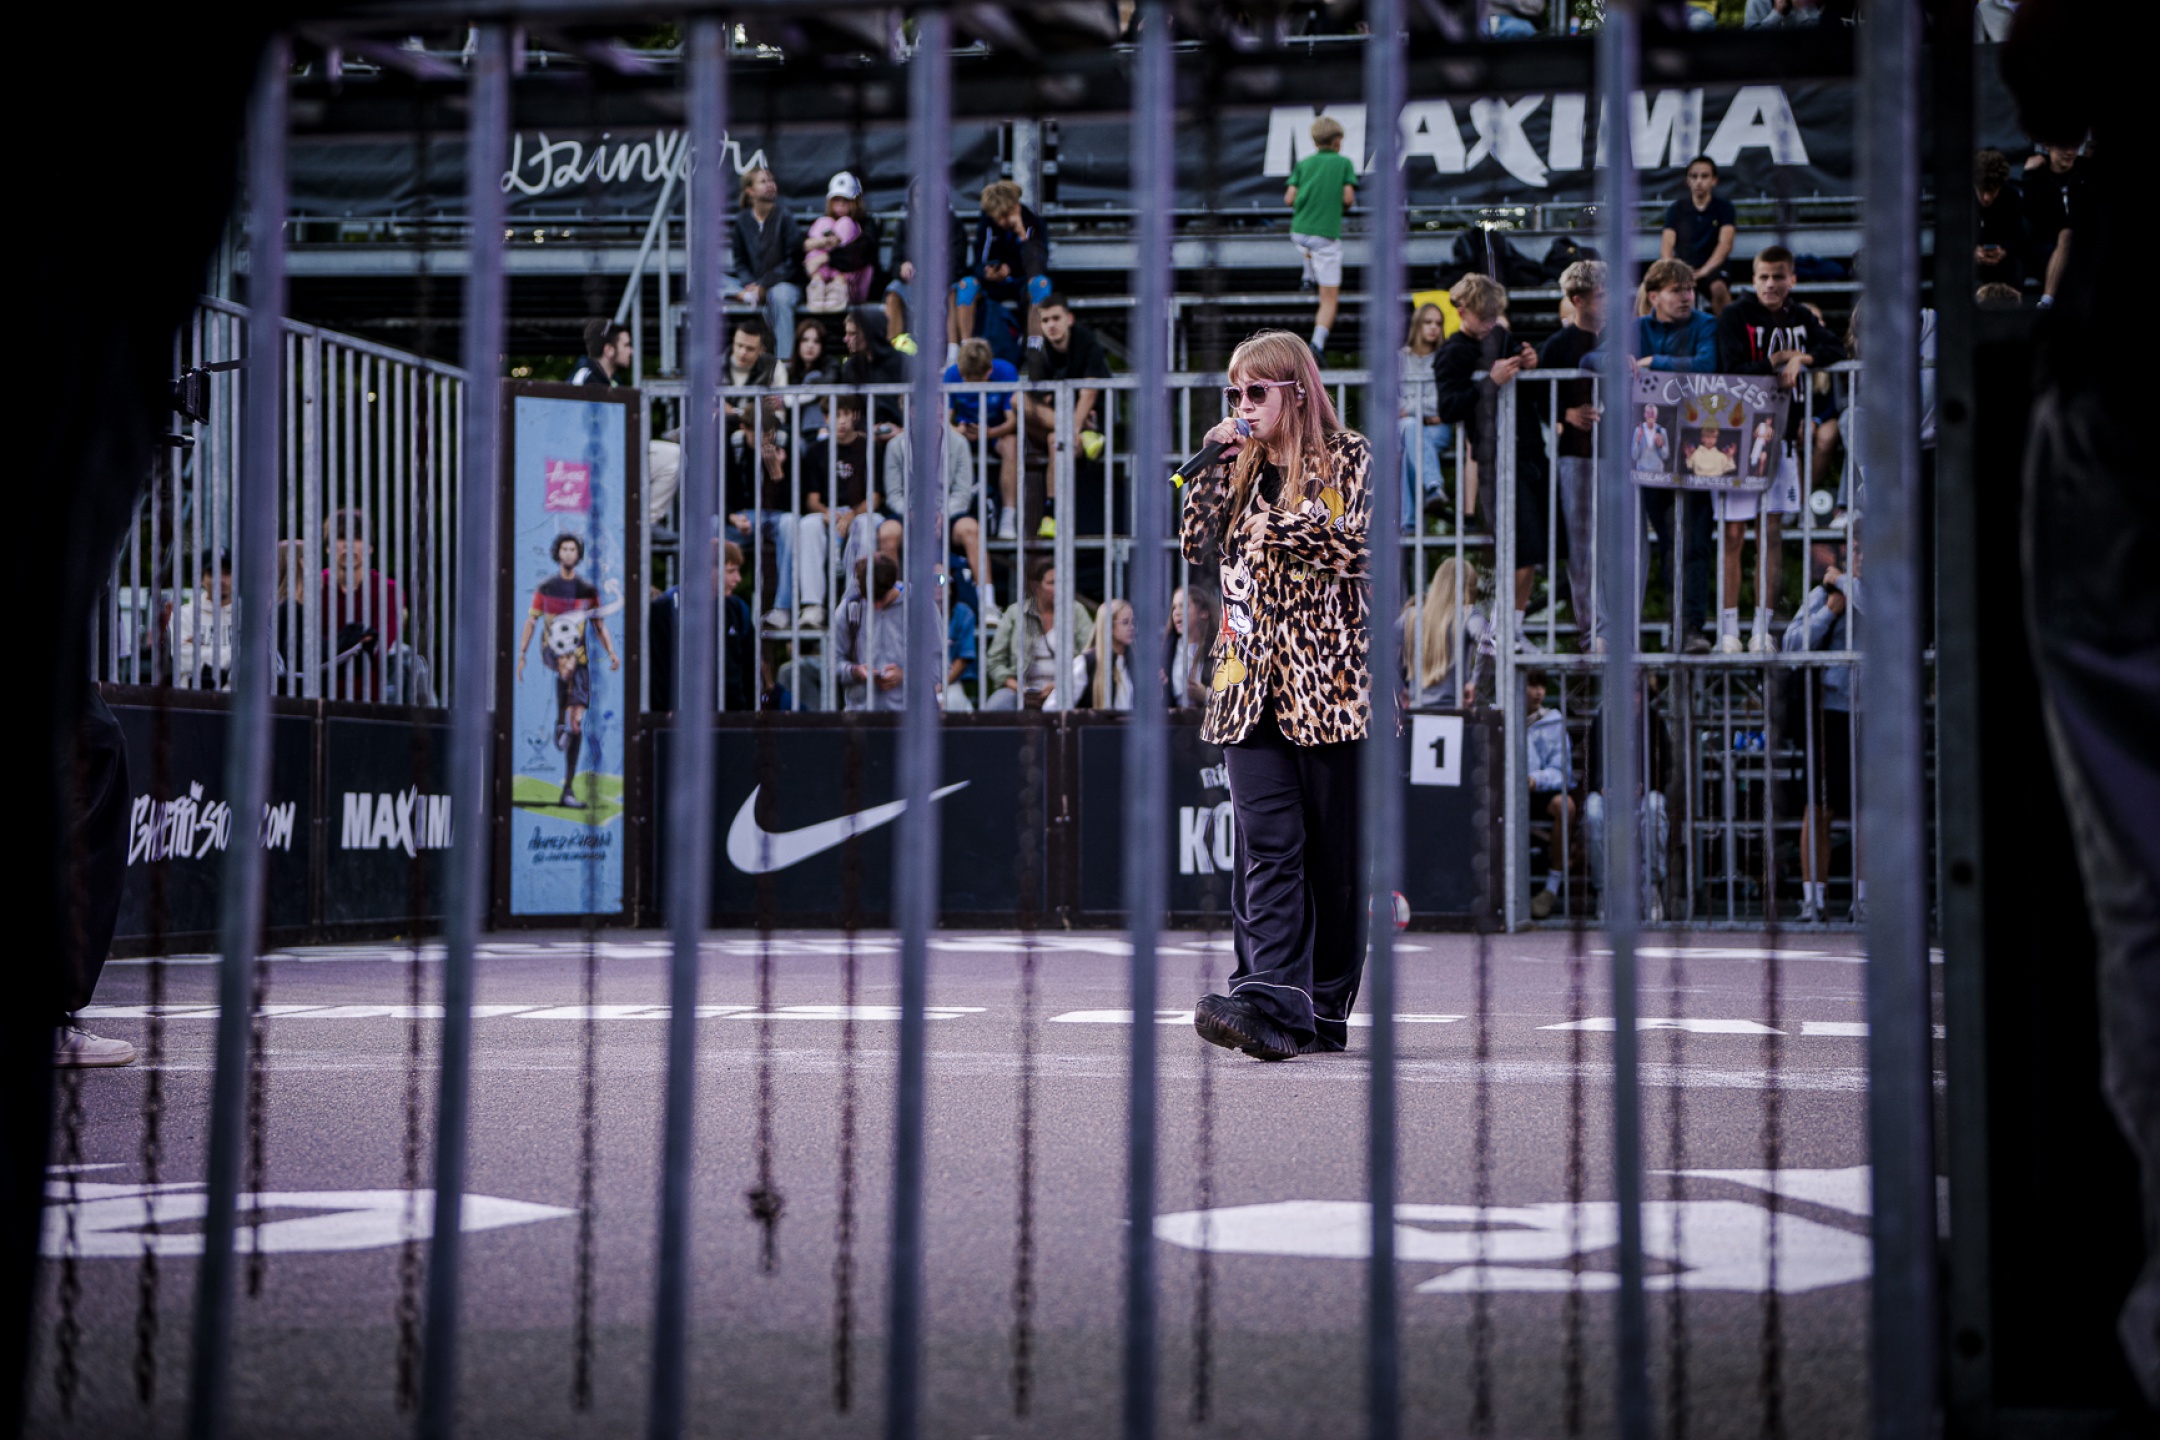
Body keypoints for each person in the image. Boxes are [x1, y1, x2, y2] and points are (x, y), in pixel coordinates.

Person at [1181, 329, 1374, 1062]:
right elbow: (1196, 546)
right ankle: (1267, 997)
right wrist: (1210, 467)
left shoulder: (1349, 455)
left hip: (1331, 685)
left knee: (1333, 860)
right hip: (1246, 682)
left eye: (1257, 390)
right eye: (1236, 392)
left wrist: (1283, 529)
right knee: (1266, 845)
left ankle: (1320, 1009)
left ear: (1296, 390)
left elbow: (1363, 547)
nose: (1244, 404)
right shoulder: (1238, 465)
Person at [1714, 243, 1846, 653]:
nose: (1770, 284)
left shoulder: (1801, 316)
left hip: (1783, 440)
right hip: (1737, 439)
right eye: (1763, 277)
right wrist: (1777, 360)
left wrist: (1801, 358)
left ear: (1793, 278)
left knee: (1770, 534)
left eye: (1778, 276)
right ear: (1753, 280)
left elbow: (1836, 348)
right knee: (1733, 533)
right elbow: (1730, 368)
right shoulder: (1736, 316)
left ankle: (1761, 629)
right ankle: (1728, 630)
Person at [1434, 273, 1548, 650]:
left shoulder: (1501, 337)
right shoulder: (1453, 352)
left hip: (1528, 453)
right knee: (1515, 547)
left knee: (1533, 548)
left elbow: (1532, 384)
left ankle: (1510, 625)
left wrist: (1532, 361)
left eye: (1494, 316)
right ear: (1462, 312)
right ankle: (1498, 624)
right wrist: (1490, 382)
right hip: (1493, 460)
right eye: (1483, 317)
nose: (1490, 324)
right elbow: (1449, 407)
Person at [514, 533, 621, 808]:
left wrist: (611, 652)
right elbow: (531, 621)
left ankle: (568, 787)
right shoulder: (547, 587)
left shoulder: (586, 589)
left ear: (578, 554)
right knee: (567, 662)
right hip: (553, 652)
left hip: (579, 660)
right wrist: (522, 654)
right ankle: (561, 720)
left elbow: (598, 624)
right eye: (565, 549)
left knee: (577, 722)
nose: (569, 553)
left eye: (573, 549)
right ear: (557, 553)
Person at [1781, 551, 1859, 923]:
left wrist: (1847, 584)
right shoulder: (1822, 594)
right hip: (1829, 713)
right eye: (1855, 550)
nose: (1861, 558)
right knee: (1818, 808)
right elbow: (1792, 645)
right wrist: (1829, 611)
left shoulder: (1885, 593)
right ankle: (1813, 899)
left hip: (1875, 714)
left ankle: (1866, 900)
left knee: (1870, 811)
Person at [1540, 260, 1607, 651]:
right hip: (1576, 456)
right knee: (1581, 545)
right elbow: (1535, 397)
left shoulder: (1625, 336)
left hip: (1623, 456)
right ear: (1578, 300)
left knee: (1624, 544)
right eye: (1601, 295)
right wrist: (1564, 413)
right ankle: (1591, 630)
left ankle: (1619, 629)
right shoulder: (1558, 345)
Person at [1018, 295, 1112, 540]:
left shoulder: (1086, 342)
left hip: (1090, 426)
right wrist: (1072, 430)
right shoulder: (1039, 350)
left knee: (1055, 440)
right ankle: (1074, 434)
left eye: (1056, 318)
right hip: (1073, 431)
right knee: (1018, 400)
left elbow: (1089, 394)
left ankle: (1050, 515)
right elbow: (1037, 398)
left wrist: (1073, 428)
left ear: (1069, 319)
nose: (1051, 325)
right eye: (1045, 320)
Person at [883, 407, 987, 604]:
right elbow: (894, 495)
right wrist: (911, 514)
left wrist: (943, 514)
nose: (936, 410)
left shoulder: (959, 443)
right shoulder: (896, 445)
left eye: (941, 406)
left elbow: (962, 493)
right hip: (909, 512)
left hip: (948, 512)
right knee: (887, 533)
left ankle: (987, 601)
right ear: (912, 411)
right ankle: (896, 599)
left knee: (971, 529)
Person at [796, 395, 878, 630]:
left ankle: (857, 601)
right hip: (829, 513)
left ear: (855, 416)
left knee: (866, 525)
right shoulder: (816, 451)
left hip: (861, 512)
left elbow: (874, 497)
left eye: (846, 414)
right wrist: (827, 513)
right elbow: (811, 500)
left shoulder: (870, 448)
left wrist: (851, 515)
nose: (841, 421)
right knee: (808, 525)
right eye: (835, 415)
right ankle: (812, 607)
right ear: (826, 418)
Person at [648, 540, 757, 712]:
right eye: (730, 571)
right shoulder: (667, 607)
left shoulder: (737, 608)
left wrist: (747, 715)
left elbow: (749, 669)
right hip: (680, 717)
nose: (738, 579)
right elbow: (658, 671)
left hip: (732, 717)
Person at [951, 180, 1052, 366]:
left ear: (1015, 207)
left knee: (1041, 284)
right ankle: (965, 348)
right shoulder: (987, 223)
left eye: (1005, 215)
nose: (1002, 222)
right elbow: (978, 262)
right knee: (966, 286)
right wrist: (988, 272)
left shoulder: (1034, 223)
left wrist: (1022, 235)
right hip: (993, 285)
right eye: (998, 217)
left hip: (1021, 282)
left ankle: (1035, 349)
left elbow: (1037, 268)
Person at [1283, 115, 1358, 357]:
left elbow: (1289, 198)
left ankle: (1307, 274)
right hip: (1325, 234)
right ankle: (1317, 344)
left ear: (1315, 141)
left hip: (1299, 231)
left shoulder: (1304, 164)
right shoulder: (1343, 163)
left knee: (1306, 243)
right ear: (1337, 141)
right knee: (1329, 297)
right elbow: (1348, 198)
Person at [985, 555, 1093, 710]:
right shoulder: (1015, 613)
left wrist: (1059, 685)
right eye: (1052, 583)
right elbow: (994, 659)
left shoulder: (1076, 611)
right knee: (996, 706)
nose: (1059, 588)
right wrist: (1015, 686)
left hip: (1067, 688)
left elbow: (1090, 654)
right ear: (1035, 586)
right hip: (1020, 690)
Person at [947, 337, 1019, 550]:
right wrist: (957, 431)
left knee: (1012, 444)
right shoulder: (952, 374)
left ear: (989, 372)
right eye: (965, 379)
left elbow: (1013, 421)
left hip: (995, 432)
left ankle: (1008, 516)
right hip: (963, 434)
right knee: (941, 442)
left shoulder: (1006, 372)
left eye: (975, 380)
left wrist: (989, 433)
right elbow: (943, 419)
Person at [322, 508, 401, 701]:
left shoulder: (388, 590)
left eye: (357, 538)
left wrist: (332, 647)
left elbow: (379, 648)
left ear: (370, 547)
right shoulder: (313, 588)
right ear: (328, 547)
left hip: (367, 702)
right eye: (341, 537)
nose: (348, 545)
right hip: (316, 699)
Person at [886, 176, 968, 353]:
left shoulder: (953, 225)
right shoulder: (904, 225)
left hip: (942, 285)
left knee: (954, 291)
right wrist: (901, 268)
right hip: (913, 285)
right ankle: (892, 351)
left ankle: (952, 352)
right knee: (893, 291)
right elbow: (894, 263)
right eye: (918, 196)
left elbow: (958, 264)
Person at [1402, 555, 1493, 710]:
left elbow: (1378, 646)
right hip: (1454, 708)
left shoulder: (1412, 616)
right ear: (1468, 588)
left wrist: (1399, 686)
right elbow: (1488, 641)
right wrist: (1475, 682)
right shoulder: (1467, 615)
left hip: (1416, 710)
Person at [730, 165, 804, 349]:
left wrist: (764, 285)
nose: (770, 184)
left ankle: (784, 360)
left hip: (783, 284)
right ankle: (745, 295)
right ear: (750, 191)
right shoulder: (742, 221)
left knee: (779, 297)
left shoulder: (784, 217)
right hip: (752, 286)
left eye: (771, 180)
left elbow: (793, 262)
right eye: (763, 181)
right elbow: (740, 261)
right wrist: (749, 283)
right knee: (707, 278)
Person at [1523, 670, 1576, 920]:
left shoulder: (1553, 721)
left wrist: (1535, 780)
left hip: (1539, 792)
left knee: (1565, 806)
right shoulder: (1499, 716)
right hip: (1504, 790)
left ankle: (1551, 889)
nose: (1539, 692)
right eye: (1532, 685)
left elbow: (1562, 772)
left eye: (1542, 686)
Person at [1660, 155, 1738, 314]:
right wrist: (1673, 270)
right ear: (1687, 180)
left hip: (1713, 269)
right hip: (1682, 268)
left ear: (1714, 180)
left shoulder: (1724, 207)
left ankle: (1727, 329)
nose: (1699, 181)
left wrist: (1703, 271)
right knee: (1653, 289)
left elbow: (1725, 244)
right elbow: (1667, 244)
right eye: (1694, 176)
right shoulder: (1676, 209)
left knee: (1719, 289)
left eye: (1704, 176)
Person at [1398, 302, 1452, 534]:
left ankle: (1408, 524)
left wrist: (1410, 408)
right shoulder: (1399, 358)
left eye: (1438, 324)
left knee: (1408, 445)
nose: (1433, 328)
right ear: (1417, 325)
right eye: (1428, 322)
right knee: (1410, 428)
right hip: (1410, 426)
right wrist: (1425, 412)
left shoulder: (1444, 358)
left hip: (1436, 430)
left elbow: (1442, 402)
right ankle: (1433, 486)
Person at [831, 552, 907, 712]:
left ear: (893, 583)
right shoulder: (848, 610)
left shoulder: (919, 606)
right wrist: (855, 672)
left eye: (881, 598)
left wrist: (905, 675)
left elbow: (940, 664)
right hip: (860, 717)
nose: (876, 606)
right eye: (870, 599)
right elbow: (831, 665)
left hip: (912, 719)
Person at [803, 172, 878, 315]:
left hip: (853, 284)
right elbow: (802, 245)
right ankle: (817, 281)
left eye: (846, 200)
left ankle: (838, 282)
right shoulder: (825, 221)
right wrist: (823, 242)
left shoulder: (867, 224)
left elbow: (860, 252)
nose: (841, 204)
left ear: (856, 201)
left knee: (845, 223)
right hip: (823, 284)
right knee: (824, 223)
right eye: (836, 199)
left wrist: (826, 258)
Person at [170, 550, 236, 688]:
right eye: (213, 574)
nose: (221, 580)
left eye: (227, 573)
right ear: (201, 579)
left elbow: (255, 661)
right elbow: (182, 659)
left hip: (239, 698)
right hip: (193, 698)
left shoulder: (249, 616)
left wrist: (202, 651)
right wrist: (233, 654)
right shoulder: (184, 615)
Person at [1057, 597, 1135, 711]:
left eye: (1133, 622)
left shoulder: (1135, 664)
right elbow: (1055, 705)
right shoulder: (1087, 663)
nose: (1131, 628)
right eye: (1125, 622)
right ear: (1109, 626)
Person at [841, 304, 906, 435]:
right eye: (847, 333)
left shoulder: (904, 363)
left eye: (853, 334)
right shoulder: (851, 367)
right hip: (865, 435)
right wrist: (867, 431)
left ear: (870, 334)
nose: (846, 339)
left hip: (903, 436)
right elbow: (851, 409)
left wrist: (902, 431)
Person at [1973, 150, 2028, 291]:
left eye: (1992, 191)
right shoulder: (1962, 199)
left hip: (2004, 261)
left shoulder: (2011, 197)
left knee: (2016, 266)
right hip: (1971, 260)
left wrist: (2003, 250)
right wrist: (1972, 251)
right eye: (1982, 190)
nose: (1986, 198)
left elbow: (2018, 237)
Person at [1163, 585, 1219, 709]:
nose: (1176, 613)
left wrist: (1206, 695)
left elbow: (1233, 697)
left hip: (1208, 718)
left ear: (1203, 613)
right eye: (1174, 607)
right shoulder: (1167, 651)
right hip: (1176, 719)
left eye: (1183, 606)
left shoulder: (1219, 649)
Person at [568, 317, 632, 386]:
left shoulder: (616, 384)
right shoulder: (582, 378)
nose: (631, 351)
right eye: (626, 345)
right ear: (609, 350)